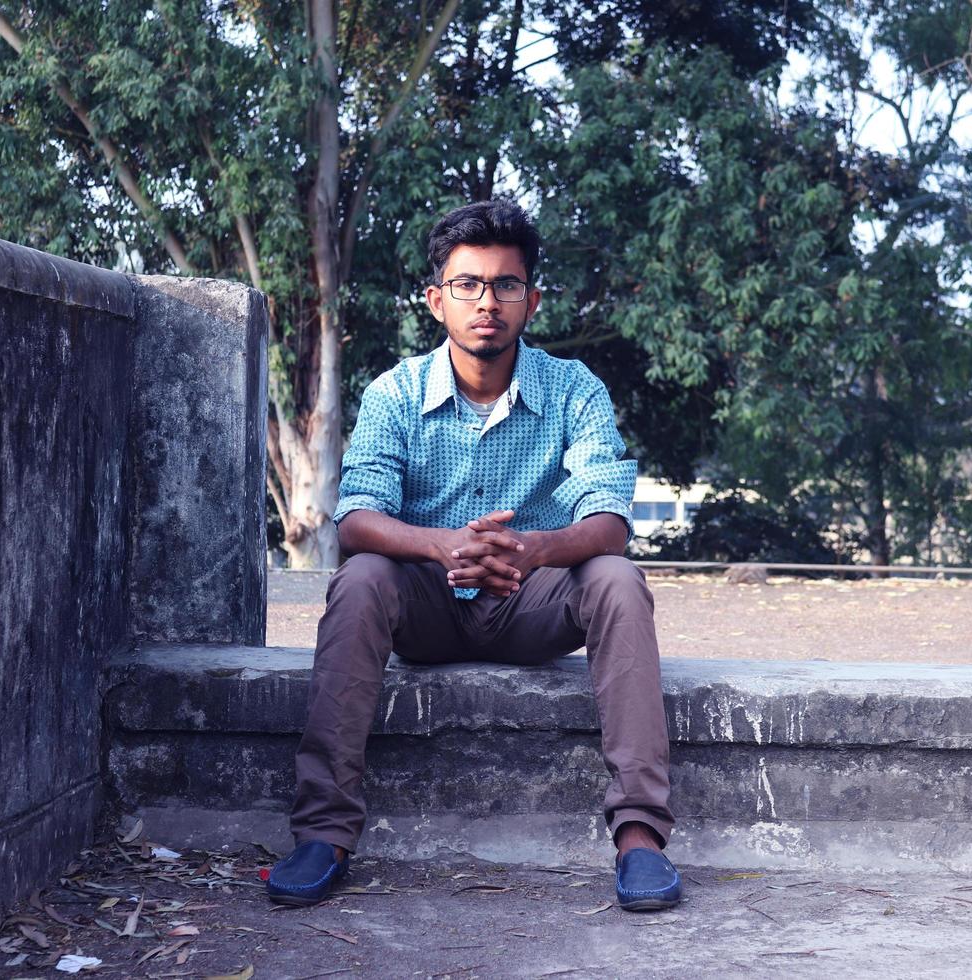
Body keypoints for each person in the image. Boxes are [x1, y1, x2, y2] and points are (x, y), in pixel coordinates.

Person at [265, 200, 679, 912]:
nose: (487, 301)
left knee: (616, 579)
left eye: (506, 285)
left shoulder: (576, 389)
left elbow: (609, 524)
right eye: (468, 285)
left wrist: (532, 550)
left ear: (532, 299)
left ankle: (640, 836)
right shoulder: (395, 392)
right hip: (428, 605)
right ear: (436, 300)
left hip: (534, 603)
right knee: (361, 579)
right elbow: (357, 520)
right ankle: (323, 832)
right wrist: (441, 545)